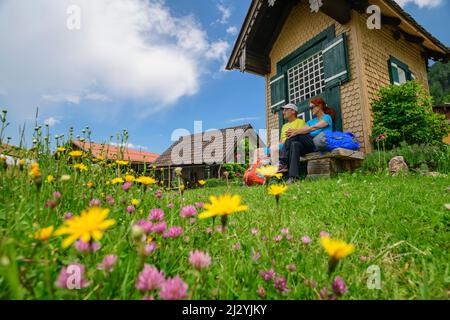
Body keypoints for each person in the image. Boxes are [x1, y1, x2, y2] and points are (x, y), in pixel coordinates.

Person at [278, 97, 335, 184]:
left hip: (320, 144)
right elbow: (303, 129)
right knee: (295, 144)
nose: (310, 109)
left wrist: (295, 132)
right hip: (309, 146)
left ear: (319, 106)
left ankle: (282, 162)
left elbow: (313, 128)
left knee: (296, 135)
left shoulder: (327, 117)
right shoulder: (310, 121)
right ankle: (293, 177)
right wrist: (294, 132)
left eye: (312, 107)